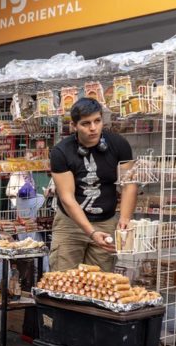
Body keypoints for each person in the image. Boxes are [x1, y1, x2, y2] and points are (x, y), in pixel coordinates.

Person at [49, 98, 136, 272]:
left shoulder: (119, 144)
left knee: (100, 283)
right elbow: (67, 198)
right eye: (86, 123)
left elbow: (130, 184)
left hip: (106, 222)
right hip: (70, 224)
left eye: (97, 121)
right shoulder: (61, 152)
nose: (93, 128)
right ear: (74, 126)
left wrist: (125, 218)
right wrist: (91, 232)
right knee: (63, 280)